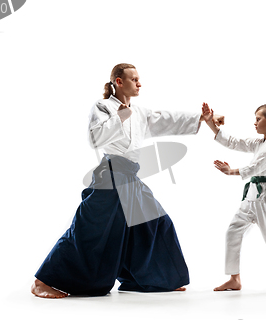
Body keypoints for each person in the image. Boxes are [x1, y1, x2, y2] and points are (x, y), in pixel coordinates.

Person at [31, 64, 223, 298]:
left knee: (156, 223)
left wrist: (200, 119)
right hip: (110, 175)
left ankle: (144, 279)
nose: (139, 83)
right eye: (134, 79)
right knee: (89, 229)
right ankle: (43, 281)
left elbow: (166, 120)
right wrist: (120, 116)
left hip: (129, 176)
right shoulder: (103, 107)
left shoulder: (140, 112)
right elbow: (95, 138)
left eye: (139, 79)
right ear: (119, 82)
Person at [202, 102, 266, 296]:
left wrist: (231, 171)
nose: (255, 123)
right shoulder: (260, 143)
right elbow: (234, 142)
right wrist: (210, 123)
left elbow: (257, 167)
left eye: (258, 119)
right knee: (233, 232)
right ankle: (234, 278)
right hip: (251, 196)